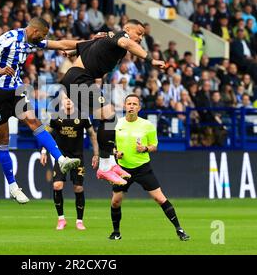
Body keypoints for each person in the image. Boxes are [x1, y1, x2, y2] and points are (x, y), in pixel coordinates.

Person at [0, 17, 96, 204]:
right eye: (43, 34)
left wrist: (93, 42)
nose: (44, 38)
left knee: (34, 122)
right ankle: (13, 186)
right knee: (3, 140)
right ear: (34, 31)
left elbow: (60, 43)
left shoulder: (31, 41)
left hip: (15, 90)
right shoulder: (8, 39)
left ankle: (61, 159)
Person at [60, 19, 165, 185]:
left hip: (79, 79)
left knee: (109, 119)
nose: (140, 38)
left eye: (143, 36)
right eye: (138, 33)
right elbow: (128, 44)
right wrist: (150, 60)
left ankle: (109, 163)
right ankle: (105, 166)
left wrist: (71, 51)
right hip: (78, 78)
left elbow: (83, 45)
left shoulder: (108, 41)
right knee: (109, 118)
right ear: (127, 29)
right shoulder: (121, 37)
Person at [109, 94, 190, 241]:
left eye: (134, 104)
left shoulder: (147, 125)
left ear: (139, 108)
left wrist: (145, 148)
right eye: (129, 103)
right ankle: (116, 232)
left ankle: (179, 229)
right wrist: (116, 153)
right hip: (122, 169)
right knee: (115, 201)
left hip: (142, 168)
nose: (131, 106)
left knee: (160, 198)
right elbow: (110, 146)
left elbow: (155, 146)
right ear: (125, 106)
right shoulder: (117, 124)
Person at [40, 93, 99, 231]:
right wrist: (43, 151)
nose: (68, 101)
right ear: (61, 101)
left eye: (71, 99)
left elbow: (92, 134)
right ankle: (61, 219)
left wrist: (96, 154)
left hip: (78, 158)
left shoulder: (83, 116)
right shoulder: (56, 117)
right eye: (66, 99)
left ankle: (79, 221)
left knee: (78, 187)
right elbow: (47, 135)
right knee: (57, 185)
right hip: (61, 158)